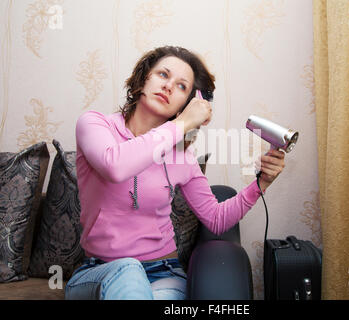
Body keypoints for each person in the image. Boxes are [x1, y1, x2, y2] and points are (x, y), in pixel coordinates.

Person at [65, 46, 285, 300]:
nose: (169, 86)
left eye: (181, 86)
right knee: (128, 269)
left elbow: (216, 219)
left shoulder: (182, 157)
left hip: (163, 273)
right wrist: (182, 125)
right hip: (100, 272)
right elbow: (116, 166)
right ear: (143, 78)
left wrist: (261, 183)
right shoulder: (95, 124)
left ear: (189, 103)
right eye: (163, 75)